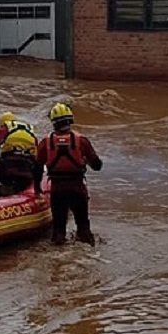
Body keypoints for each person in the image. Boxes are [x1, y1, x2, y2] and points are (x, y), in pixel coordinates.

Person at [36, 103, 102, 246]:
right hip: (77, 189)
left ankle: (58, 263)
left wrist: (37, 188)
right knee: (84, 229)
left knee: (58, 231)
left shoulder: (45, 142)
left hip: (57, 190)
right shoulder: (81, 141)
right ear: (70, 120)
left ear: (53, 122)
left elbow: (37, 165)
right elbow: (97, 166)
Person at [0, 119, 43, 196]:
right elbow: (38, 158)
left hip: (8, 171)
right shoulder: (30, 133)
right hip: (27, 171)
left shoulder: (1, 131)